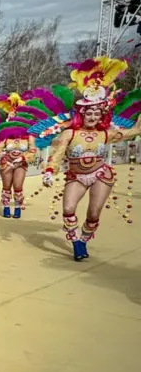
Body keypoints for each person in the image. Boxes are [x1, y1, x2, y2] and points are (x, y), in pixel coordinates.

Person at [42, 58, 141, 261]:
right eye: (89, 112)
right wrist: (50, 170)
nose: (93, 116)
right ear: (82, 113)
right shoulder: (70, 133)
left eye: (97, 112)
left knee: (93, 213)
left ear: (102, 115)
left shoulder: (106, 133)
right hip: (77, 176)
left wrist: (138, 129)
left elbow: (130, 133)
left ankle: (84, 239)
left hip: (100, 175)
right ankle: (76, 241)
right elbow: (58, 153)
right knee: (68, 209)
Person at [0, 93, 38, 219]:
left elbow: (33, 151)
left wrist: (23, 158)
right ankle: (6, 207)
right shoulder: (5, 137)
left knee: (18, 186)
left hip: (20, 164)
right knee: (6, 186)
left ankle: (17, 207)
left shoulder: (28, 136)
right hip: (6, 163)